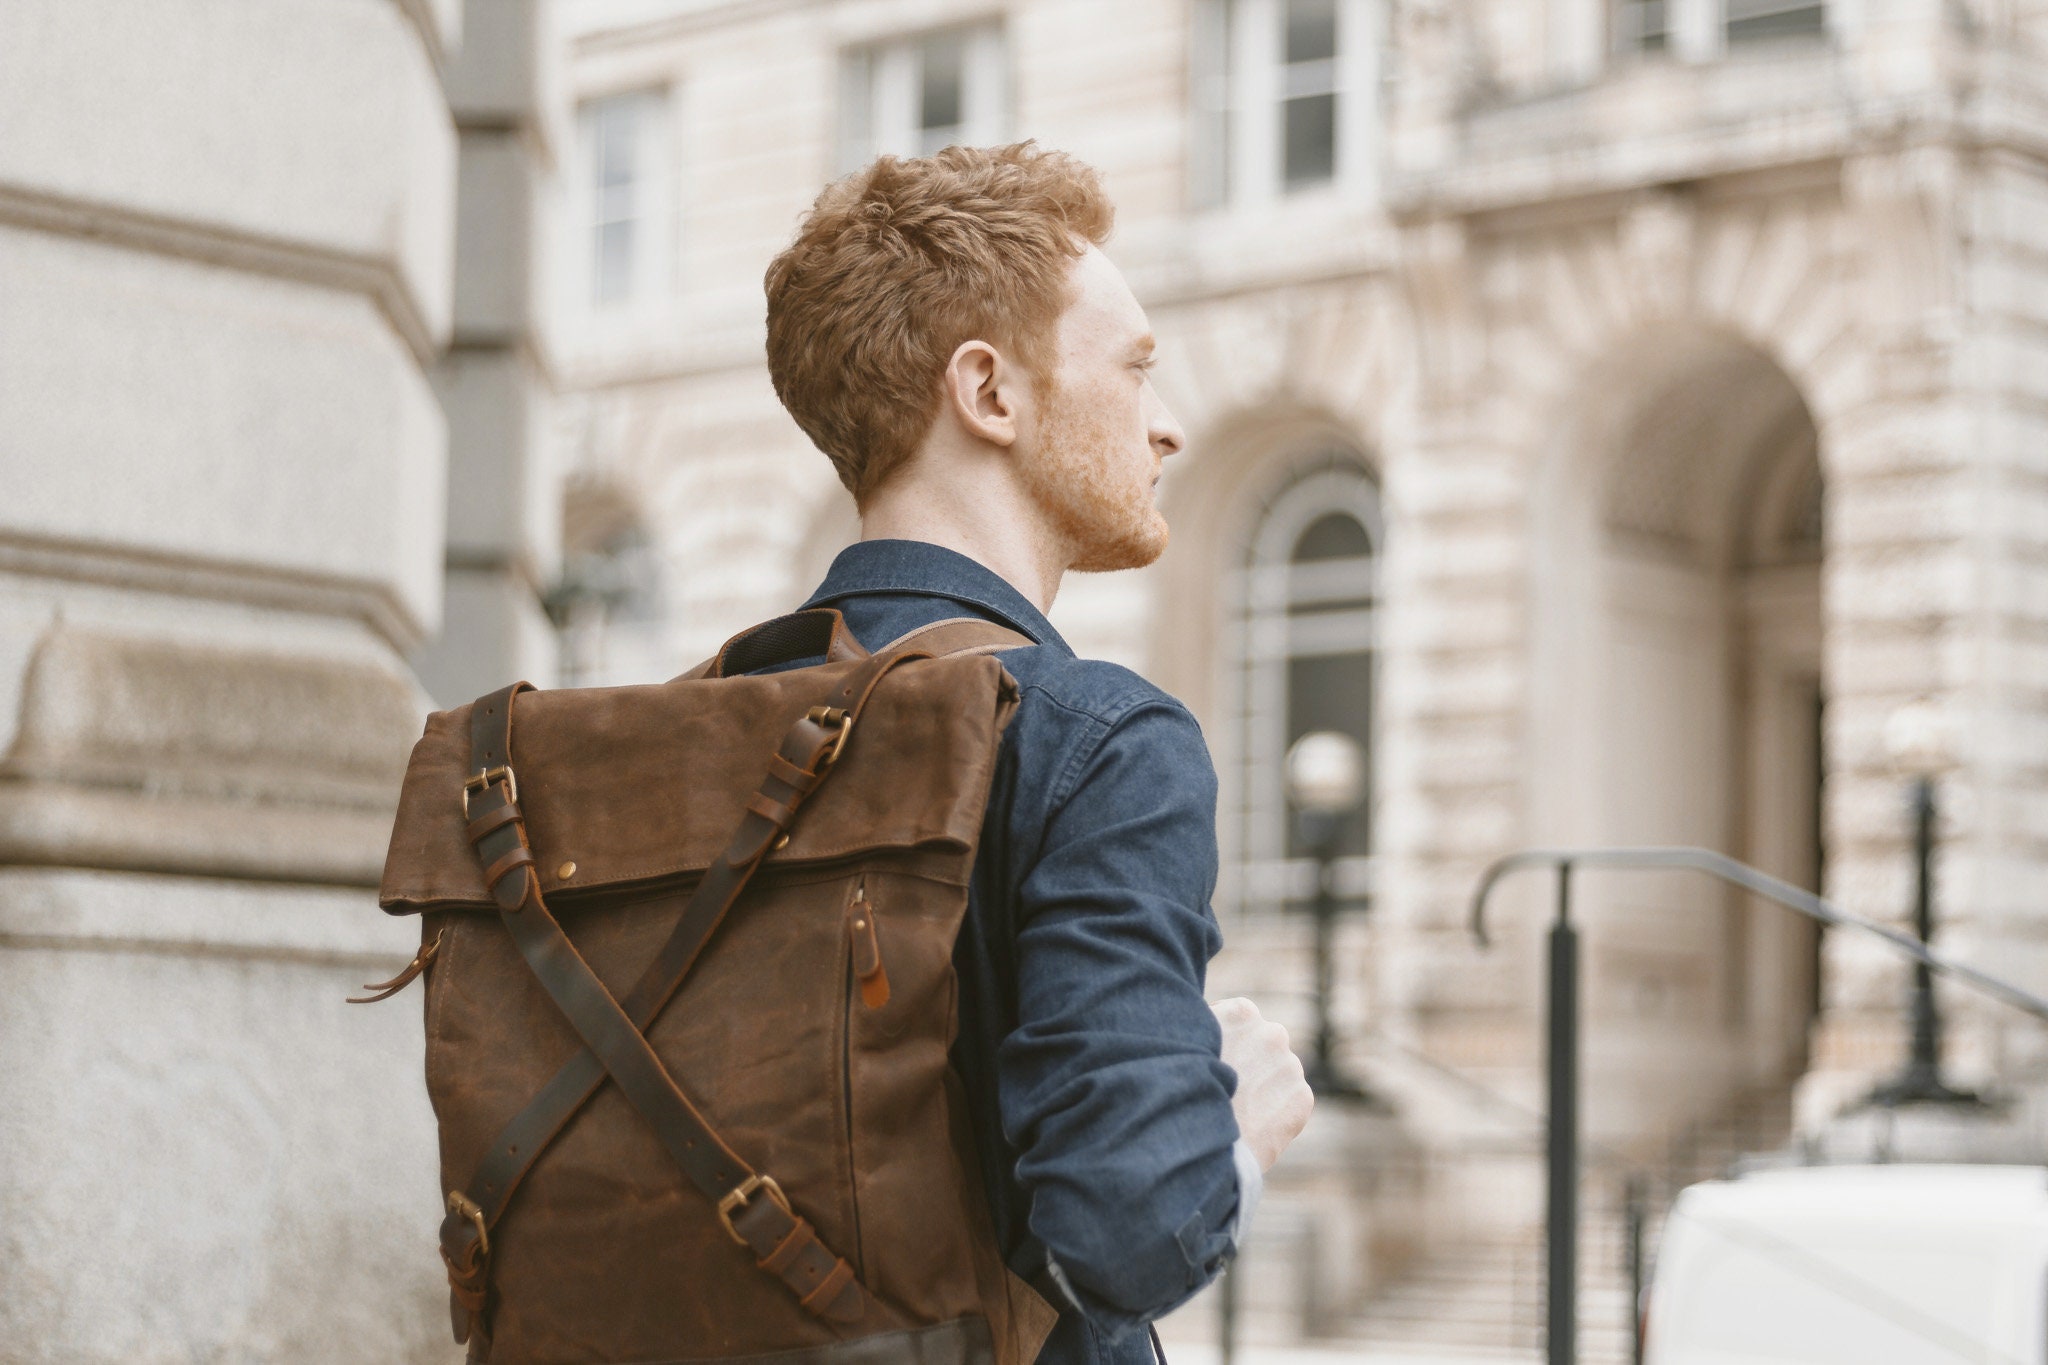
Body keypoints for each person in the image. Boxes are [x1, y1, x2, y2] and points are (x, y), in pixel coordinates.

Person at [762, 142, 1315, 1364]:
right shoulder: (1093, 738)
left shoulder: (704, 718)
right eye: (1133, 369)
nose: (1166, 427)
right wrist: (1227, 1132)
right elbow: (1127, 1229)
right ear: (991, 394)